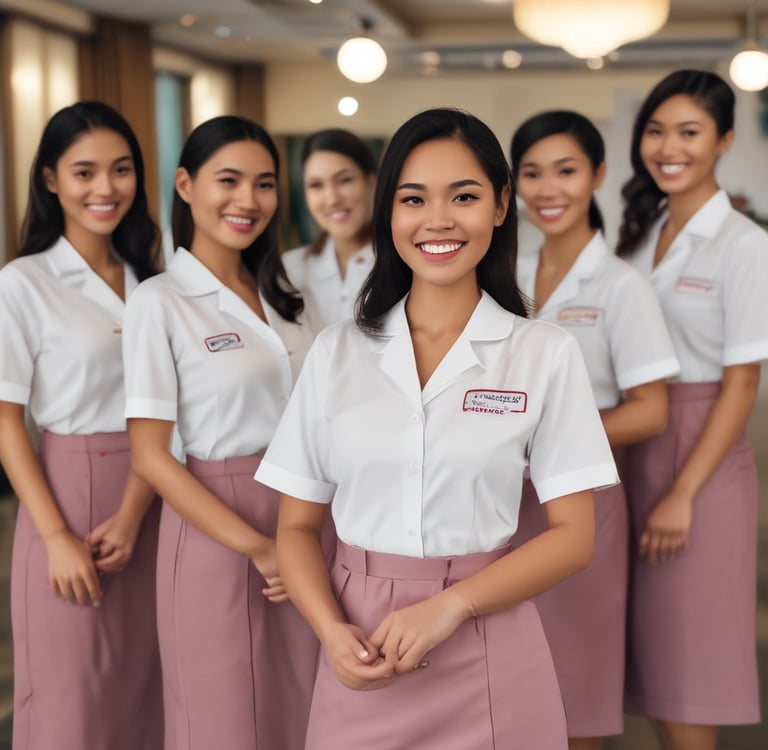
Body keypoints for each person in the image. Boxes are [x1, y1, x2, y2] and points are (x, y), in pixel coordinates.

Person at [255, 107, 619, 750]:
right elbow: (297, 527)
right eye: (413, 198)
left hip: (490, 644)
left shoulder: (544, 352)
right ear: (387, 211)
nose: (439, 220)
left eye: (465, 196)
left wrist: (452, 605)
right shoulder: (337, 351)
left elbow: (573, 538)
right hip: (359, 649)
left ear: (502, 205)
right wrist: (331, 634)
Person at [122, 115, 317, 750]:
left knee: (301, 703)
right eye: (227, 181)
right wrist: (259, 546)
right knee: (225, 716)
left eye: (264, 185)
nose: (248, 201)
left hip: (307, 512)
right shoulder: (160, 300)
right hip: (220, 524)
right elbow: (151, 458)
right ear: (184, 185)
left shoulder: (287, 293)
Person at [509, 110, 679, 750]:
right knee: (513, 674)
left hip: (583, 500)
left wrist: (554, 436)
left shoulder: (620, 285)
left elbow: (651, 410)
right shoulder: (503, 277)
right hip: (507, 500)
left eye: (566, 171)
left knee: (576, 679)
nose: (549, 189)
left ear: (598, 175)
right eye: (532, 173)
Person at [0, 101, 163, 750]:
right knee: (74, 695)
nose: (105, 189)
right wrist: (54, 536)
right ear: (49, 180)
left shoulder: (155, 278)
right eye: (84, 172)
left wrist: (132, 512)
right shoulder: (24, 283)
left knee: (150, 682)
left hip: (157, 494)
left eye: (121, 171)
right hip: (67, 495)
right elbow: (6, 423)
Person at [616, 70, 768, 750]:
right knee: (645, 655)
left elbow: (742, 382)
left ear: (724, 141)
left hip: (697, 456)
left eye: (688, 132)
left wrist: (683, 491)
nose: (667, 147)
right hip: (632, 443)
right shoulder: (642, 231)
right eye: (655, 130)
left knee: (689, 659)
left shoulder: (743, 245)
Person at [282, 128, 376, 333]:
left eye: (345, 180)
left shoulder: (407, 265)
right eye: (316, 185)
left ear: (372, 181)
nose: (332, 198)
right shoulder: (289, 270)